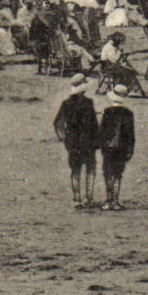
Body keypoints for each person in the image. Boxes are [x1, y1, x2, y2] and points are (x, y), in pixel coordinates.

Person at [53, 75, 101, 209]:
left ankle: (76, 199)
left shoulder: (65, 103)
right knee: (90, 169)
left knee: (75, 170)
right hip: (88, 141)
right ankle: (89, 198)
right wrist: (97, 140)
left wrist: (65, 139)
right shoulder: (88, 103)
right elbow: (94, 124)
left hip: (73, 142)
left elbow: (58, 124)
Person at [98, 85, 137, 211]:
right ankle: (115, 200)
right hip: (122, 147)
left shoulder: (107, 112)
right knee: (118, 173)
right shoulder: (128, 114)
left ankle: (109, 199)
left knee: (108, 172)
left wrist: (100, 144)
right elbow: (131, 134)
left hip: (108, 147)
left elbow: (102, 131)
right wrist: (130, 149)